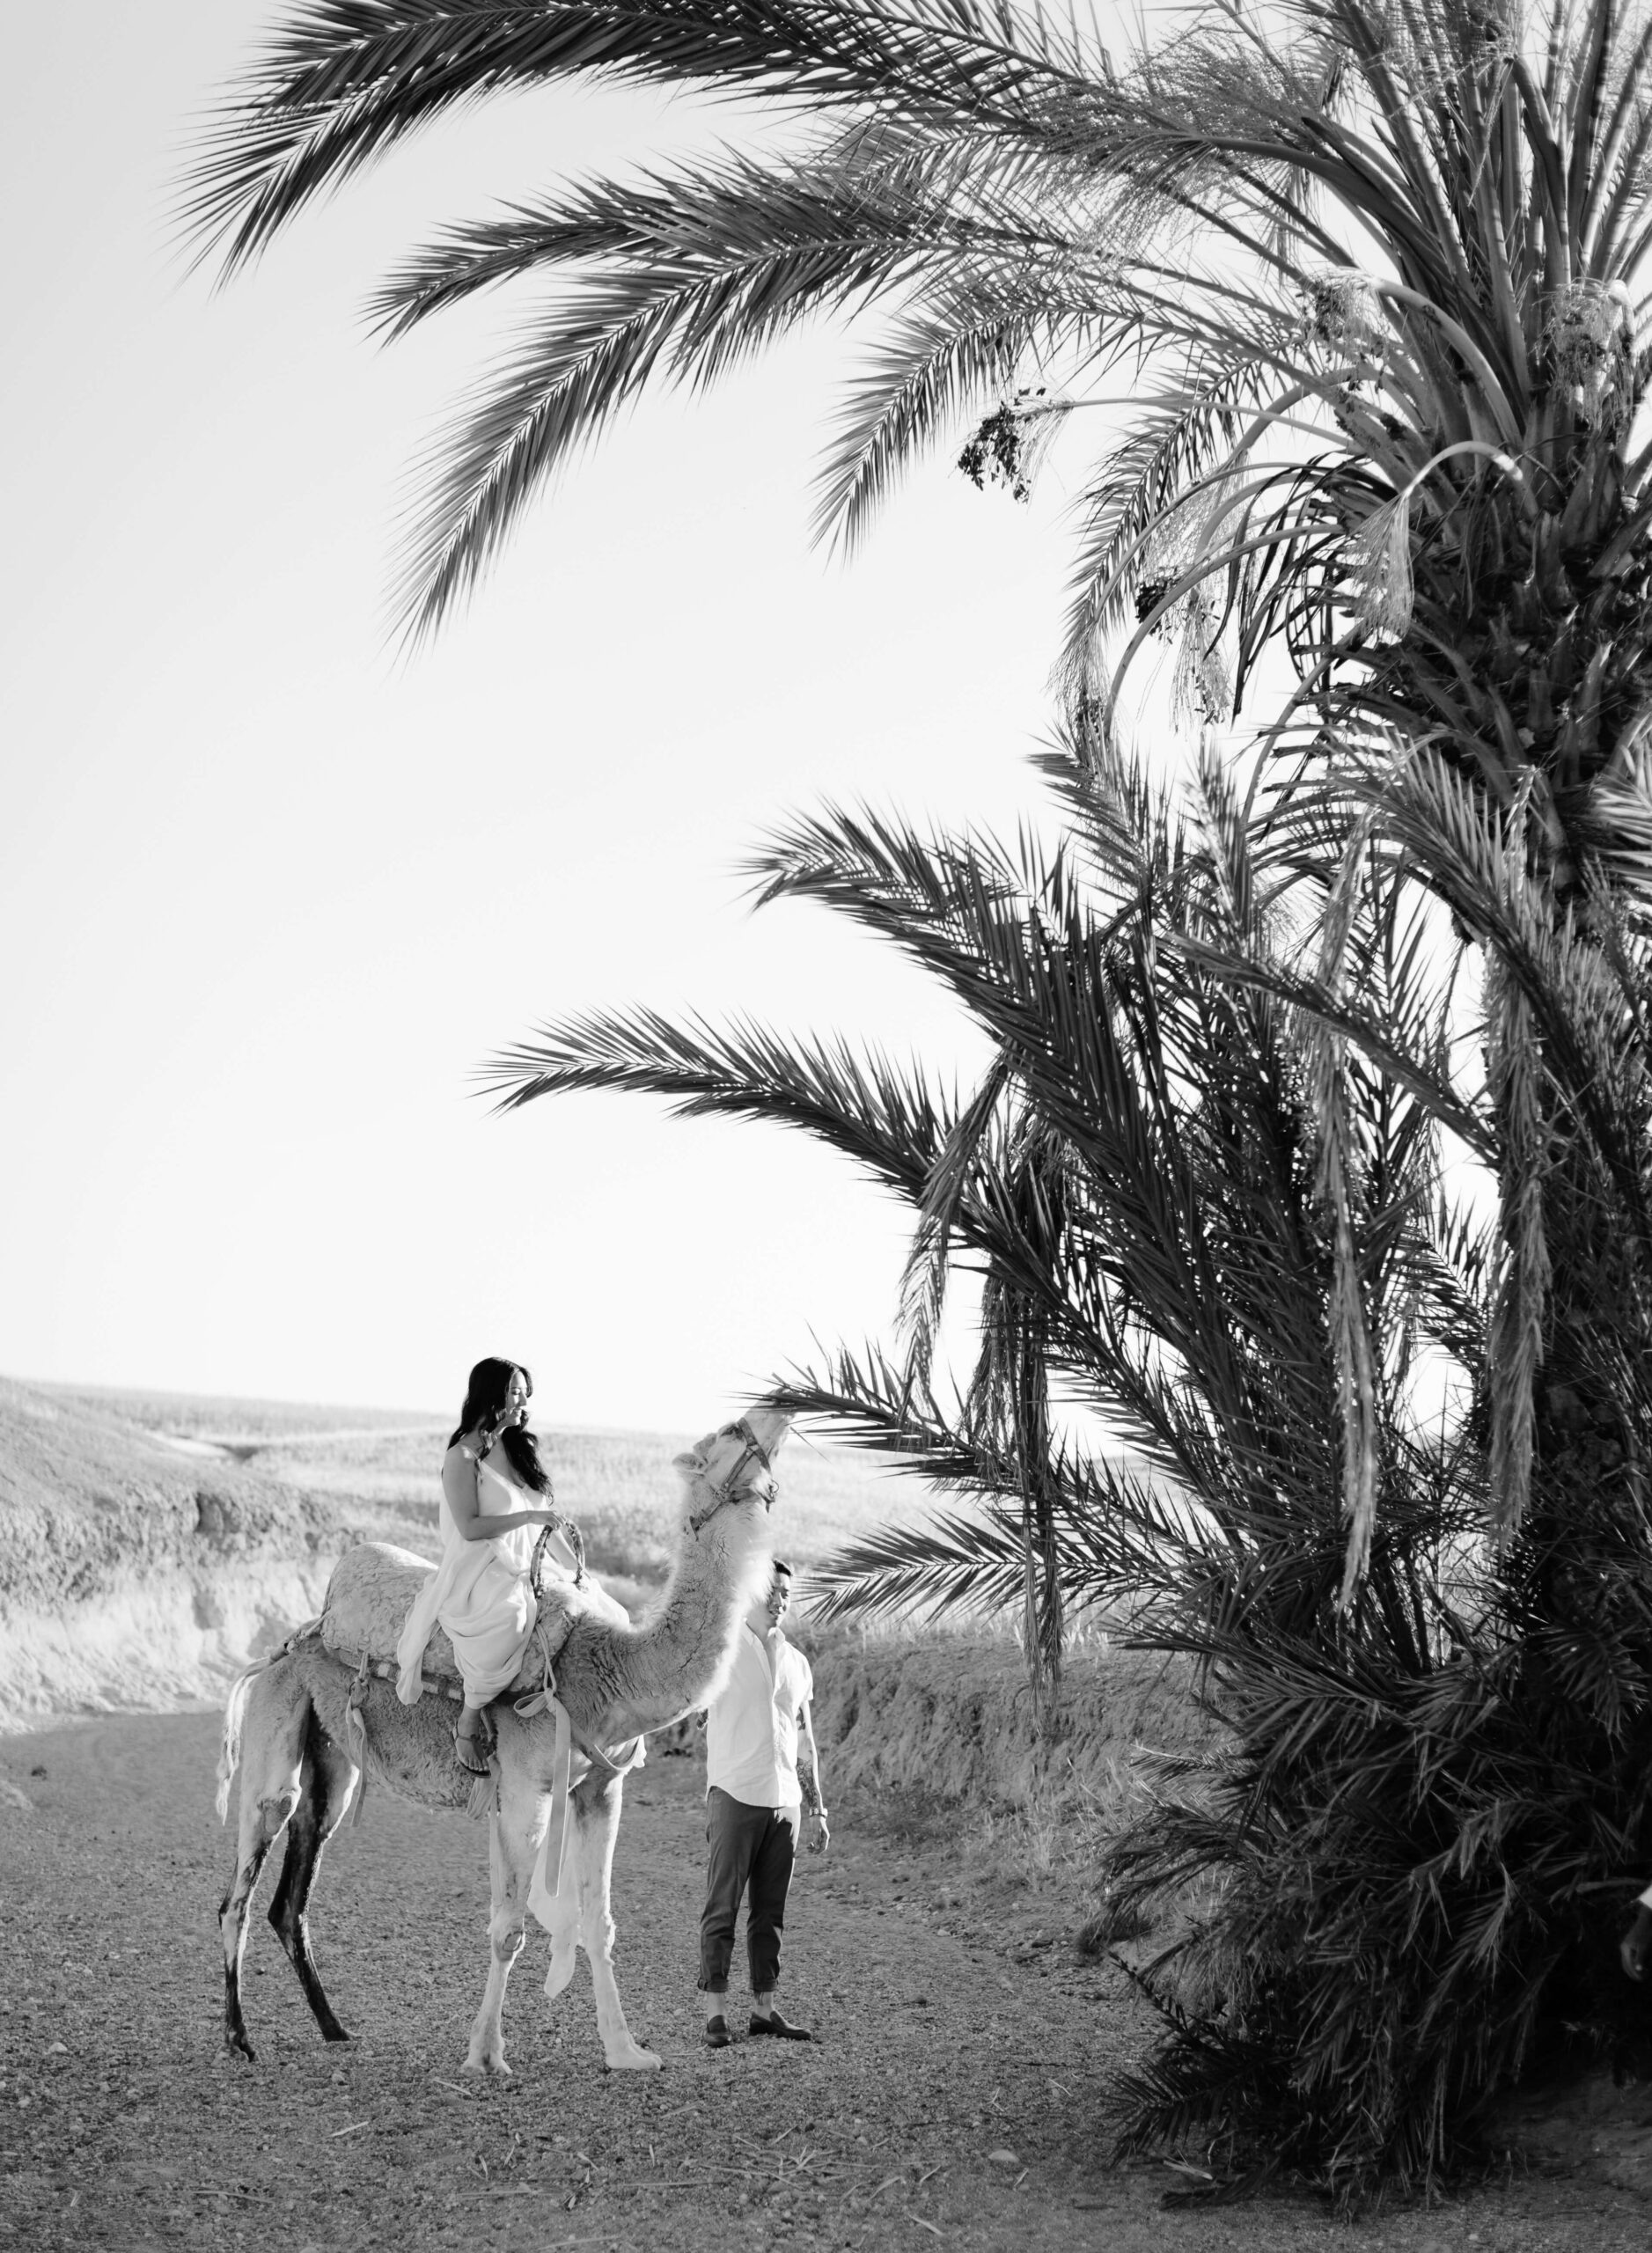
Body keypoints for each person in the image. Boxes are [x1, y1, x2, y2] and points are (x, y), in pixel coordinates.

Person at [394, 1356, 583, 1772]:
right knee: (511, 1618)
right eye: (515, 1391)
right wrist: (530, 1519)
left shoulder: (517, 1448)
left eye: (524, 1393)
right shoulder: (461, 1456)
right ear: (491, 1393)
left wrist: (578, 1573)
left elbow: (543, 1526)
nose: (522, 1401)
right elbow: (471, 1527)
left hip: (527, 1557)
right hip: (480, 1565)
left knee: (597, 1604)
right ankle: (469, 1717)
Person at [697, 1559, 829, 2048]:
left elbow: (805, 1741)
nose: (780, 1599)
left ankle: (764, 2011)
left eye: (787, 1594)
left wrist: (816, 1807)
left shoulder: (797, 1661)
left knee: (770, 1914)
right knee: (722, 1906)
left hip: (785, 1804)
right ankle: (715, 2014)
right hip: (734, 1793)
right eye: (772, 1589)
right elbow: (696, 1708)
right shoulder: (721, 1650)